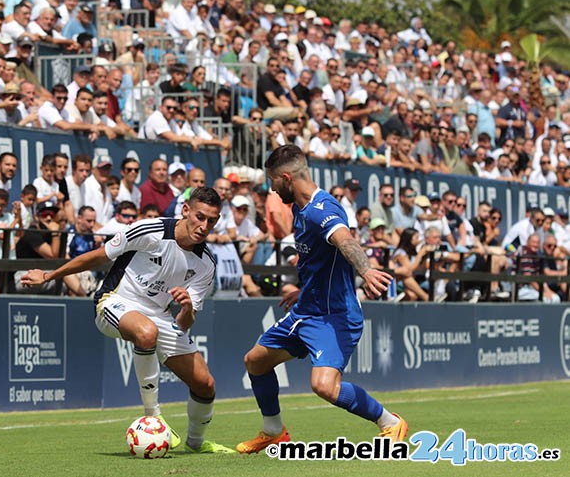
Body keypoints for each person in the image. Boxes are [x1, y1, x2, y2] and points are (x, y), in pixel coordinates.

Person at [20, 187, 235, 454]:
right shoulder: (149, 230)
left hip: (158, 314)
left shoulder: (206, 264)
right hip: (114, 301)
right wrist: (50, 275)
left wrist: (188, 306)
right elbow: (98, 255)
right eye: (200, 217)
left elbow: (185, 322)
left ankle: (195, 442)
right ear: (186, 211)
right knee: (146, 332)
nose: (204, 226)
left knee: (205, 384)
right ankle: (153, 418)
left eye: (211, 221)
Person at [236, 145, 406, 454]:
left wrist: (366, 270)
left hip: (334, 315)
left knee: (324, 386)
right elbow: (323, 260)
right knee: (255, 361)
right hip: (307, 310)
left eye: (273, 182)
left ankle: (390, 421)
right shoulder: (300, 209)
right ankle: (274, 431)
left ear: (286, 177)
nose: (272, 190)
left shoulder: (320, 208)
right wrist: (307, 287)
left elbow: (345, 241)